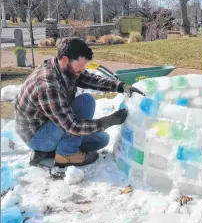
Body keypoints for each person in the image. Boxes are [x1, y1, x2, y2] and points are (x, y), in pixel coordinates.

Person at [14, 38, 144, 168]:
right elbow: (72, 126)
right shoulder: (47, 85)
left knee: (101, 140)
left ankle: (49, 152)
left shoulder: (64, 68)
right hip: (37, 135)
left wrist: (120, 86)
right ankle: (65, 155)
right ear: (65, 59)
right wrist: (106, 122)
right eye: (80, 66)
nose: (83, 70)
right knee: (85, 103)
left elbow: (89, 79)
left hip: (53, 125)